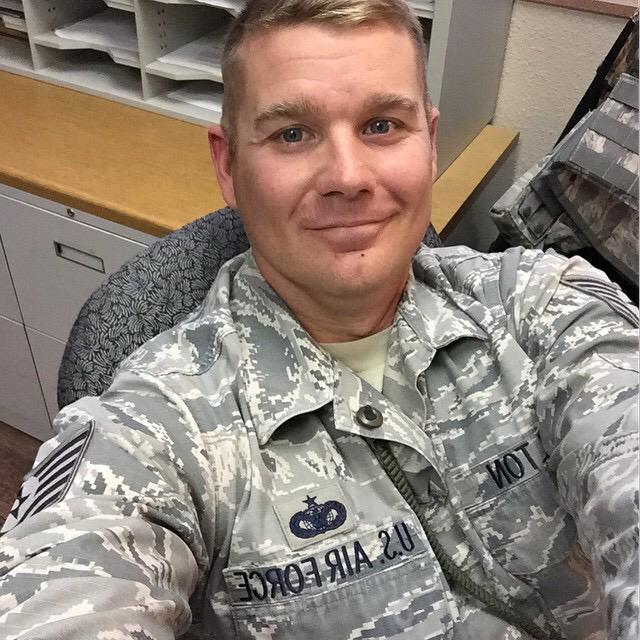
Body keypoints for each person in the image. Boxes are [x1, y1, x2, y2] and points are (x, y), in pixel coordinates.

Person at [0, 1, 637, 638]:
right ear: (228, 166)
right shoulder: (160, 423)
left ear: (429, 144)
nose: (348, 177)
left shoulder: (542, 303)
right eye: (292, 134)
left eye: (382, 126)